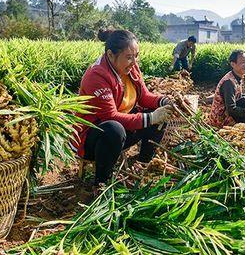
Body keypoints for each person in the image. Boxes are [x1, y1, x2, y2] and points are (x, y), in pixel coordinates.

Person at [71, 29, 174, 185]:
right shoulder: (97, 75)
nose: (134, 62)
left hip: (122, 128)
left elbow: (144, 97)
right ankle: (101, 183)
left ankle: (143, 165)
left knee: (162, 115)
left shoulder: (131, 68)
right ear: (111, 55)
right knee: (114, 129)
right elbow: (110, 116)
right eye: (128, 57)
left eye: (136, 56)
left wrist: (164, 101)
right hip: (93, 139)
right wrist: (151, 118)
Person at [208, 50, 245, 128]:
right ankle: (241, 125)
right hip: (221, 119)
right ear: (233, 64)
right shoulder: (228, 82)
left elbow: (235, 97)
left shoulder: (238, 77)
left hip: (230, 112)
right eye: (242, 62)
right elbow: (231, 109)